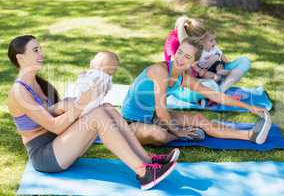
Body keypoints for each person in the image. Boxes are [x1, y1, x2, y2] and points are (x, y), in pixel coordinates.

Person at [6, 35, 180, 190]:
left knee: (106, 108)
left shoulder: (39, 83)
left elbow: (50, 115)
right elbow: (55, 126)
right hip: (45, 156)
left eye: (40, 49)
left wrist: (64, 105)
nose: (41, 54)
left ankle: (148, 162)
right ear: (21, 58)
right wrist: (81, 103)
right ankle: (144, 174)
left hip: (61, 145)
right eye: (35, 50)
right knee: (97, 115)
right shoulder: (19, 91)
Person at [122, 37, 270, 146]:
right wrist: (177, 131)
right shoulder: (159, 71)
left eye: (187, 57)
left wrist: (249, 107)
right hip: (129, 123)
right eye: (179, 52)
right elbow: (162, 111)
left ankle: (249, 135)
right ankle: (178, 136)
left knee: (199, 119)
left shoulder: (183, 78)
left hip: (152, 116)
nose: (180, 59)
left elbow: (216, 96)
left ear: (194, 62)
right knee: (158, 135)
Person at [65, 51, 119, 115]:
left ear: (100, 64)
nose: (92, 60)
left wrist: (81, 76)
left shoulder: (95, 74)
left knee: (65, 102)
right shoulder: (107, 78)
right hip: (94, 108)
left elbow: (83, 87)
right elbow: (108, 88)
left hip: (83, 107)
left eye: (95, 58)